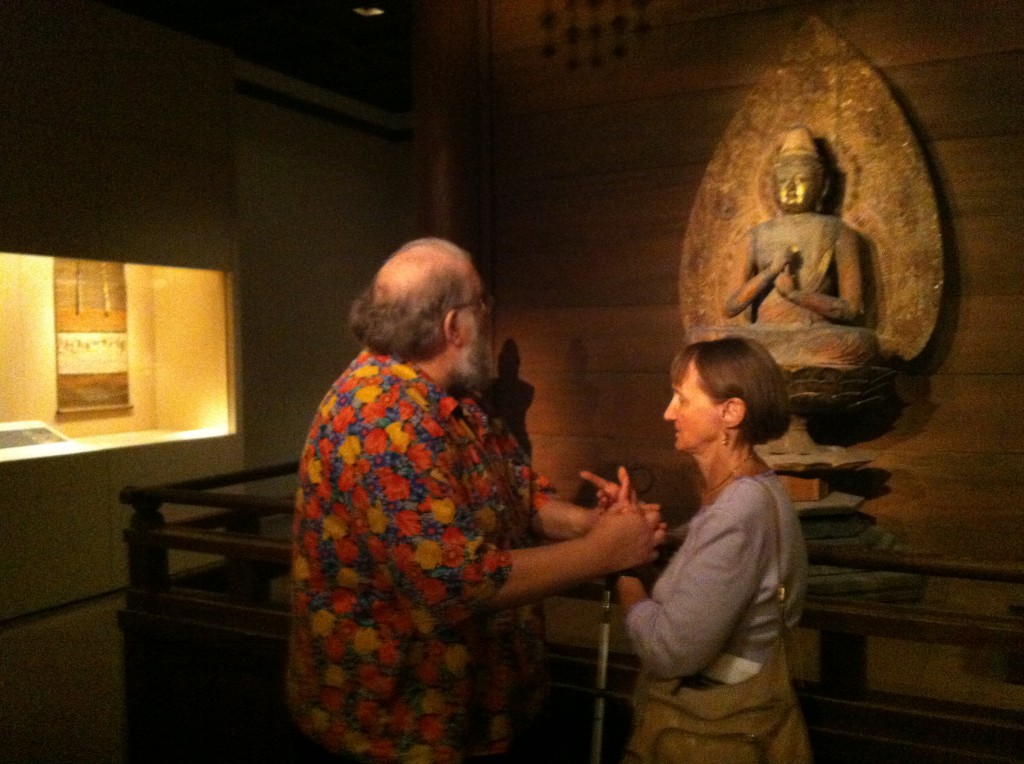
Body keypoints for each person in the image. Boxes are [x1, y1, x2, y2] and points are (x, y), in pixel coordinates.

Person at [286, 237, 664, 764]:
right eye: (482, 303)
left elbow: (520, 494)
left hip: (478, 713)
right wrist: (604, 553)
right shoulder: (383, 419)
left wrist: (590, 524)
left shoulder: (453, 396)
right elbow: (453, 582)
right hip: (400, 730)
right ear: (452, 327)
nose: (489, 316)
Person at [595, 337, 811, 762]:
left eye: (681, 398)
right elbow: (701, 588)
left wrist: (619, 565)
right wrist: (636, 528)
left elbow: (669, 650)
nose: (668, 412)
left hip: (714, 732)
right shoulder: (741, 495)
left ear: (730, 412)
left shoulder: (739, 510)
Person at [694, 125, 878, 370]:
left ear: (822, 186)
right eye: (783, 181)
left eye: (801, 180)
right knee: (705, 339)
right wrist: (770, 272)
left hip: (815, 335)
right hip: (763, 335)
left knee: (857, 344)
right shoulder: (756, 235)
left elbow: (851, 309)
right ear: (772, 186)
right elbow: (730, 306)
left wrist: (795, 295)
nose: (790, 189)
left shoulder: (838, 232)